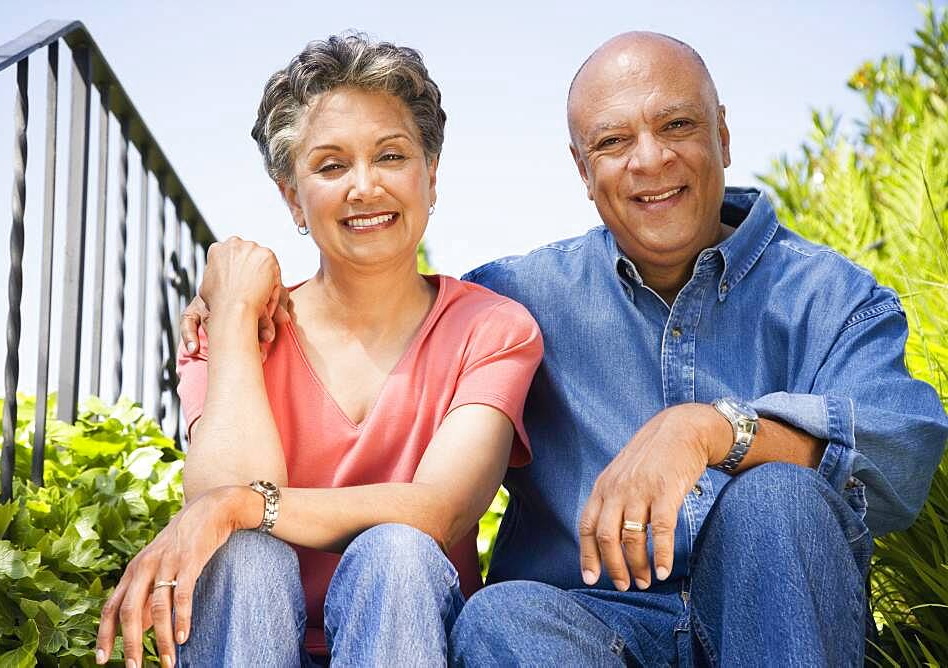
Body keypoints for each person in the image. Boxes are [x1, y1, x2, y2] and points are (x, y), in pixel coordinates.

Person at [185, 32, 948, 665]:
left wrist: (718, 429)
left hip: (771, 631)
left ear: (722, 131)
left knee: (775, 497)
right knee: (500, 617)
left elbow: (903, 453)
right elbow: (393, 296)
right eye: (613, 142)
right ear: (583, 171)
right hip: (582, 636)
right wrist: (232, 296)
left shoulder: (833, 298)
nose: (648, 160)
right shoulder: (515, 301)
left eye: (677, 126)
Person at [94, 33, 543, 668]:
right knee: (245, 555)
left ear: (431, 176)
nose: (364, 187)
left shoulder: (492, 329)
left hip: (408, 635)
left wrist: (245, 503)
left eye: (391, 156)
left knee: (398, 548)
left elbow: (437, 511)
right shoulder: (232, 334)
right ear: (290, 197)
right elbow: (217, 505)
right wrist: (231, 312)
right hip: (247, 636)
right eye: (331, 166)